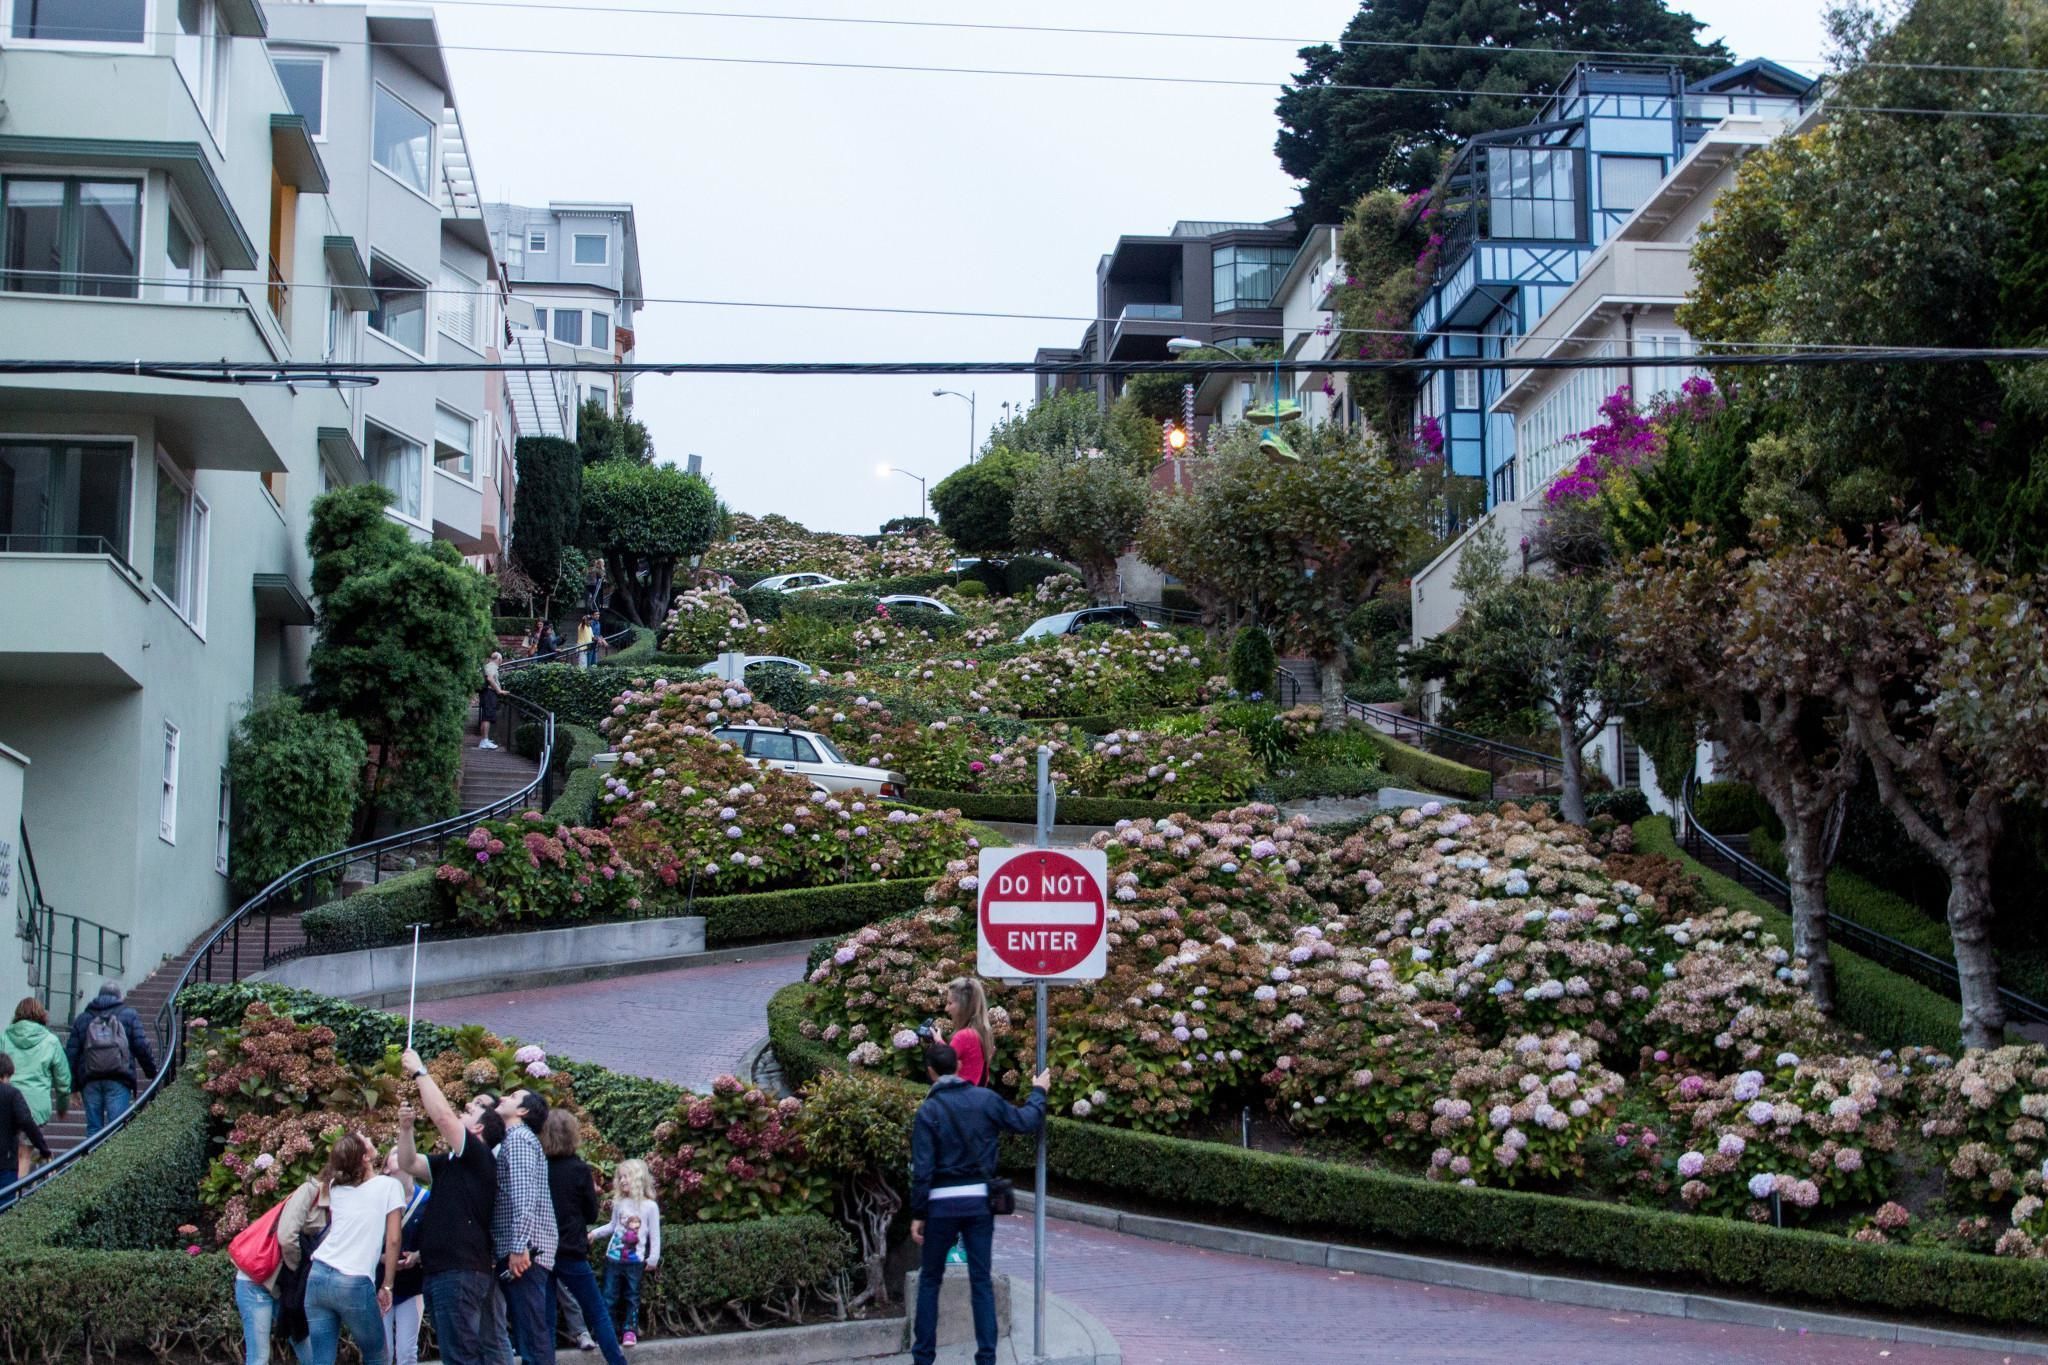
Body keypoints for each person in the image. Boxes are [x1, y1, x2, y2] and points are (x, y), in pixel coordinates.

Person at [908, 1043, 1049, 1365]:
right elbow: (1026, 1120)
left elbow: (923, 1169)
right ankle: (987, 1358)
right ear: (958, 1066)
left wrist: (918, 1213)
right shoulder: (985, 1100)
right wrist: (1038, 1091)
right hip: (978, 1204)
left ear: (930, 1071)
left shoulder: (928, 1111)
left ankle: (923, 1357)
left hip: (940, 1206)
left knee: (930, 1280)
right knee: (981, 1281)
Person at [395, 1050, 506, 1365]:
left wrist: (420, 1072)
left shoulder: (478, 1158)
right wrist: (406, 1129)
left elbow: (443, 1117)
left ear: (478, 1131)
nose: (465, 1109)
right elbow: (408, 1162)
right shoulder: (451, 1162)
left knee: (460, 1356)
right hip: (442, 1272)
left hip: (459, 1272)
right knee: (458, 1353)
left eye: (473, 1112)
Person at [303, 1131, 406, 1365]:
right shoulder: (390, 1186)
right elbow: (393, 1240)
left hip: (318, 1275)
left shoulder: (335, 1188)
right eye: (366, 1140)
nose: (370, 1139)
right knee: (377, 1355)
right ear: (365, 1157)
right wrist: (387, 1285)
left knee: (322, 1359)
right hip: (353, 1280)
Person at [541, 1111, 626, 1364]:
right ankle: (616, 1361)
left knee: (545, 1317)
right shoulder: (579, 1169)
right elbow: (590, 1213)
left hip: (542, 1250)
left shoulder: (538, 1164)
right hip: (571, 1248)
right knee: (597, 1311)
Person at [234, 1166, 329, 1365]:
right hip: (258, 1281)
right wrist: (296, 1270)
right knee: (259, 1357)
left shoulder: (338, 1206)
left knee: (303, 1340)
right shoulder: (310, 1190)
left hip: (284, 1287)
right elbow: (286, 1236)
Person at [493, 1089, 559, 1365]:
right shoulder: (518, 1139)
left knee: (532, 1334)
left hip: (526, 1253)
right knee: (530, 1331)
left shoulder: (519, 1139)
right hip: (526, 1250)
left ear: (523, 1111)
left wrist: (519, 1247)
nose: (504, 1097)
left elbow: (524, 1198)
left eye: (513, 1096)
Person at [65, 980, 157, 1136]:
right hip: (119, 1078)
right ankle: (113, 1160)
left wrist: (73, 1087)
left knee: (94, 1128)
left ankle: (93, 1160)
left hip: (90, 1079)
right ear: (120, 997)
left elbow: (71, 1054)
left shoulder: (83, 1018)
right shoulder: (129, 1015)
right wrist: (152, 1073)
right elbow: (141, 1045)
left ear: (99, 996)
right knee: (117, 1128)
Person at [588, 1159, 660, 1347]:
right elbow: (613, 1226)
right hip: (613, 1258)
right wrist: (594, 1233)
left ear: (638, 1178)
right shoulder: (620, 1203)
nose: (622, 1181)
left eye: (626, 1176)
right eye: (620, 1177)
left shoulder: (650, 1207)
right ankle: (607, 1331)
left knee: (632, 1296)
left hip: (635, 1261)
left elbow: (655, 1235)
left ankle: (630, 1330)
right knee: (609, 1296)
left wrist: (653, 1258)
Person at [2, 997, 69, 1178]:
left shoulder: (5, 1036)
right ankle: (16, 1198)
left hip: (6, 1101)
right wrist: (62, 1105)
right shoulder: (51, 1041)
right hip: (36, 1105)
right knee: (24, 1154)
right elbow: (63, 1080)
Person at [383, 1149, 430, 1365]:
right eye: (394, 1154)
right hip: (380, 1281)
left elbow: (436, 1238)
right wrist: (383, 1258)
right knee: (383, 1349)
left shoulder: (426, 1199)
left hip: (412, 1284)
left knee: (407, 1351)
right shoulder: (377, 1199)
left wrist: (418, 1256)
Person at [0, 1054, 49, 1177]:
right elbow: (26, 1121)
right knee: (7, 1194)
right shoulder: (12, 1094)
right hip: (5, 1160)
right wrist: (43, 1149)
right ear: (5, 1075)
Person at [941, 978, 994, 1087]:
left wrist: (938, 1044)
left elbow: (944, 1066)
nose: (946, 1008)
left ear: (963, 1006)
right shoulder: (982, 1033)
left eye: (950, 1003)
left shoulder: (964, 1036)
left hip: (960, 1097)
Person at [478, 651, 507, 750]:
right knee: (487, 716)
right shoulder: (492, 666)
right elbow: (490, 678)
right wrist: (499, 690)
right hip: (489, 694)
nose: (501, 663)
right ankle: (484, 740)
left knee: (486, 716)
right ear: (498, 659)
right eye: (501, 660)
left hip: (487, 693)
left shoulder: (489, 666)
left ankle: (484, 740)